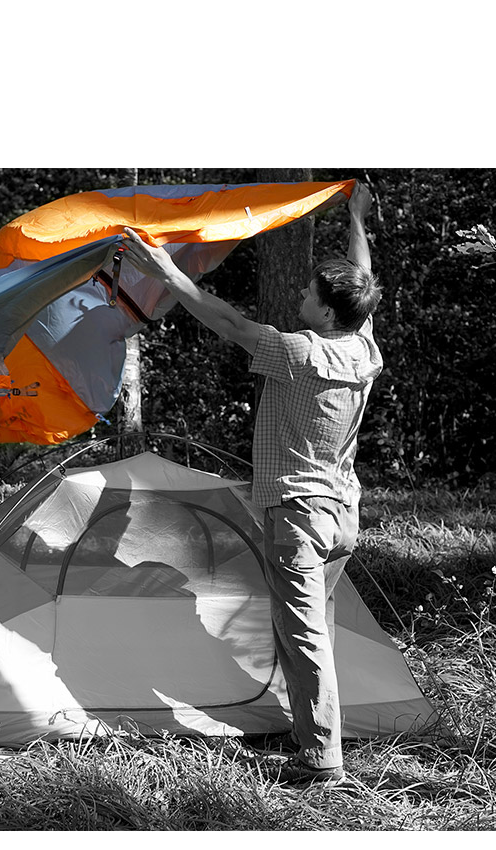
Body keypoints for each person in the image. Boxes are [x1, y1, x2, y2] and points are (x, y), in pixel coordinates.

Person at [121, 180, 383, 786]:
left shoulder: (299, 353)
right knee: (304, 632)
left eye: (310, 292)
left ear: (327, 311)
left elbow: (228, 322)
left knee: (304, 636)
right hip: (341, 515)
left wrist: (165, 271)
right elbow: (364, 281)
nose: (301, 293)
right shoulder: (363, 347)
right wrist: (357, 220)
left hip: (299, 516)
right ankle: (308, 735)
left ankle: (321, 760)